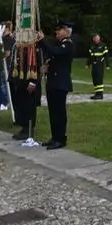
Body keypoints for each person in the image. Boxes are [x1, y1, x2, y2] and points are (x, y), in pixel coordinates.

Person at [35, 21, 74, 150]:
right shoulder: (58, 44)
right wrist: (40, 41)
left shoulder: (67, 45)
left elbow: (55, 51)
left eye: (60, 30)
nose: (57, 32)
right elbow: (49, 51)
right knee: (53, 112)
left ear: (67, 31)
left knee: (59, 112)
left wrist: (43, 40)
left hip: (60, 83)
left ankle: (60, 138)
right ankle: (55, 137)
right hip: (53, 82)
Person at [88, 34, 108, 100]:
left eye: (97, 38)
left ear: (99, 38)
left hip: (100, 65)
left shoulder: (103, 45)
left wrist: (107, 65)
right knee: (95, 79)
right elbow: (90, 56)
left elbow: (106, 56)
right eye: (94, 38)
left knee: (99, 79)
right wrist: (88, 64)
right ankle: (96, 93)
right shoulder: (92, 46)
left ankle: (100, 94)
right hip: (94, 65)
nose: (96, 39)